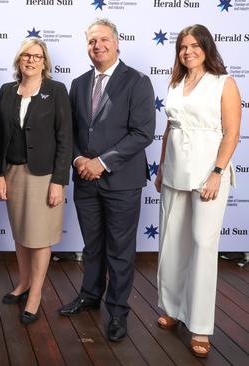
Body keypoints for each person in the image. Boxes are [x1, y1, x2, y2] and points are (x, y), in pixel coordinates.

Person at [58, 18, 155, 342]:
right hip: (85, 180)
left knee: (120, 251)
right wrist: (78, 160)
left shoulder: (137, 82)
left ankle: (117, 312)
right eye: (91, 42)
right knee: (92, 246)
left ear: (116, 43)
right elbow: (69, 132)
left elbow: (142, 133)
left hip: (122, 182)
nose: (97, 46)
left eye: (103, 40)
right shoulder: (79, 83)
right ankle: (89, 296)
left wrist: (101, 162)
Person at [154, 24, 241, 358]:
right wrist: (161, 167)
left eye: (194, 45)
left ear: (206, 48)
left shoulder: (224, 83)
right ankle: (173, 308)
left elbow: (232, 133)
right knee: (172, 241)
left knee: (204, 245)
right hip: (175, 171)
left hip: (208, 174)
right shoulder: (176, 83)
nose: (188, 51)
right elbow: (169, 130)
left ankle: (201, 327)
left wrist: (218, 172)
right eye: (182, 46)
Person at [0, 38, 71, 324]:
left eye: (37, 56)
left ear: (45, 62)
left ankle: (35, 294)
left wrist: (58, 181)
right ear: (18, 59)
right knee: (22, 234)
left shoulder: (56, 91)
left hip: (44, 175)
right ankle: (23, 283)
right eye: (26, 55)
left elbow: (65, 139)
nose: (31, 60)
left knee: (39, 238)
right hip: (13, 172)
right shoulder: (6, 91)